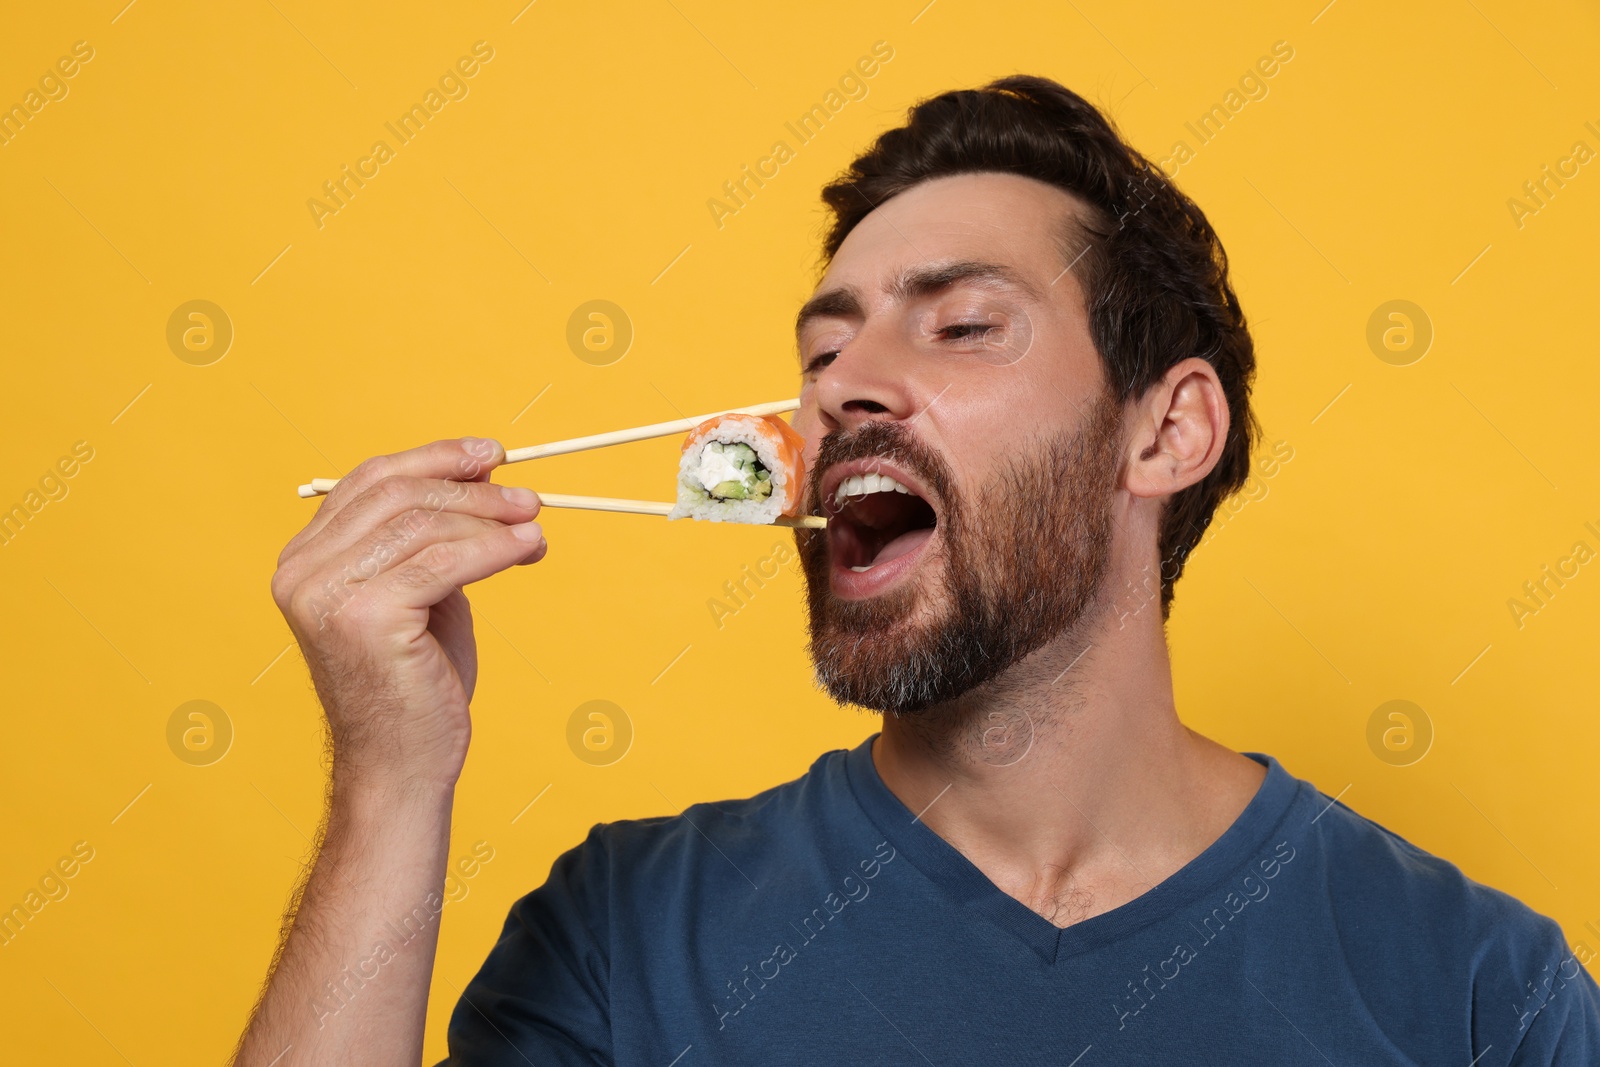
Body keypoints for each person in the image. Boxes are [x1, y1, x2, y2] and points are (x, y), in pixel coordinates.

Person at [234, 75, 1600, 1065]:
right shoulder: (627, 936)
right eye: (822, 354)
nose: (844, 392)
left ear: (1165, 430)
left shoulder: (1480, 992)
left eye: (960, 326)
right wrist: (390, 782)